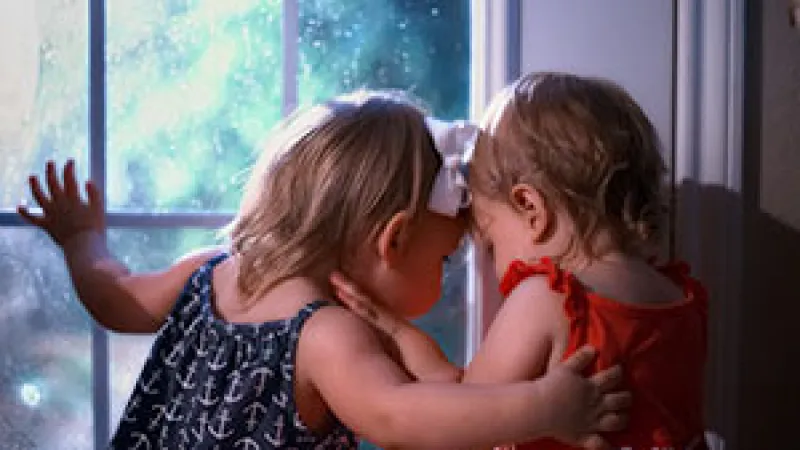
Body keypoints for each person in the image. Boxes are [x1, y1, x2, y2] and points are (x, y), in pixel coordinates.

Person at [18, 90, 629, 449]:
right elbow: (398, 416)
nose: (449, 278)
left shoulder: (212, 270)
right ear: (393, 239)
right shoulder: (327, 334)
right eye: (445, 259)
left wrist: (80, 241)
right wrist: (544, 410)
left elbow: (116, 297)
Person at [333, 74, 708, 450]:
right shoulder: (678, 297)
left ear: (531, 209)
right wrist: (394, 330)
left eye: (491, 244)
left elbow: (468, 412)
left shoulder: (547, 298)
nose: (491, 265)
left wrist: (393, 342)